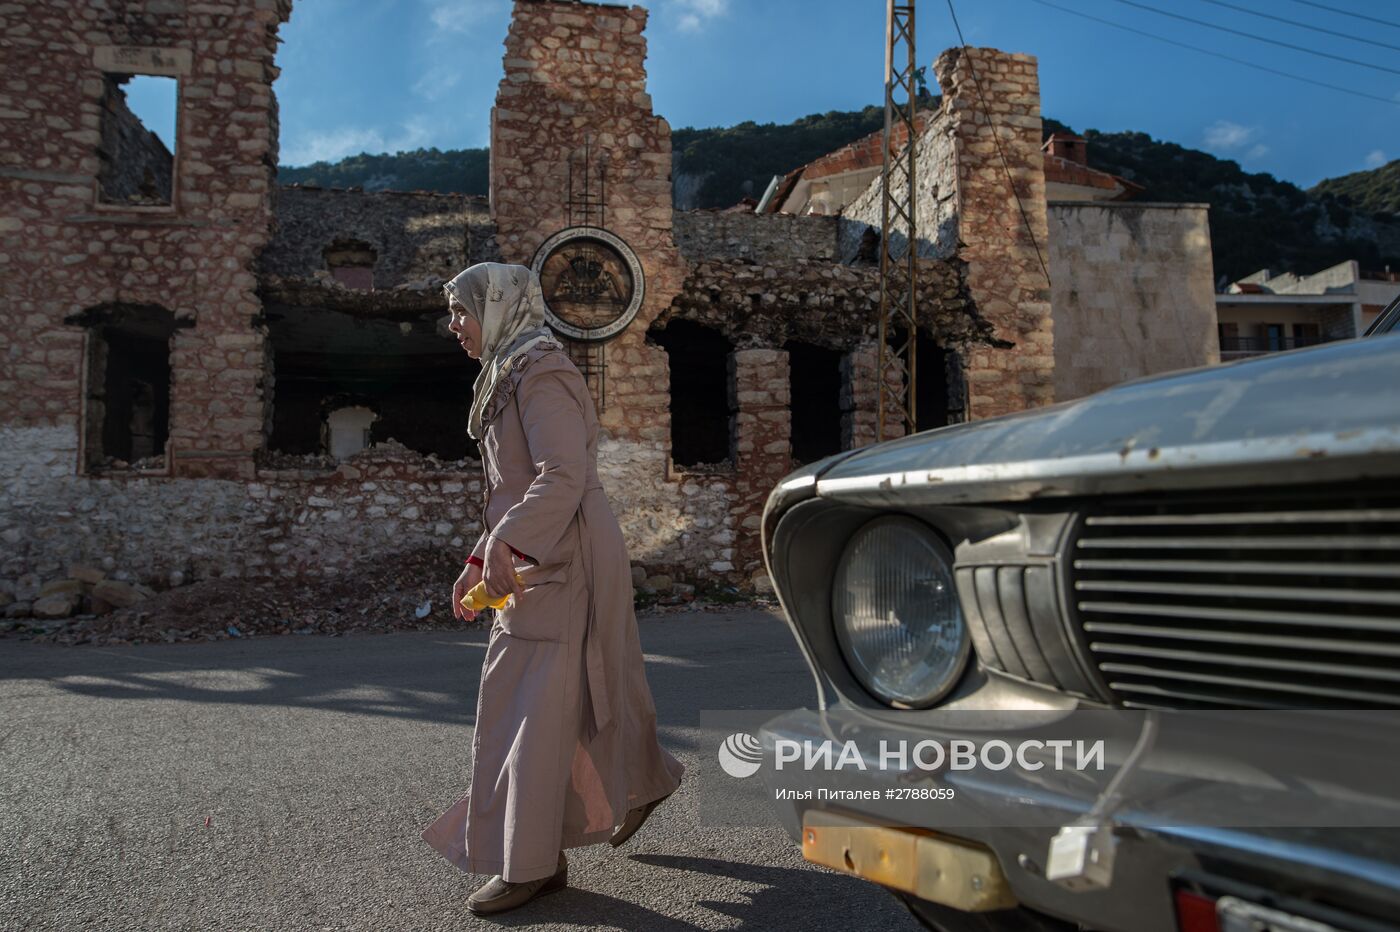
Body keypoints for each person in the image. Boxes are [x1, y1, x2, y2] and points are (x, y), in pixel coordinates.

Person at [421, 261, 684, 916]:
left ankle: (529, 864)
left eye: (461, 309)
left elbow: (562, 474)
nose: (452, 323)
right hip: (544, 549)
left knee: (530, 713)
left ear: (499, 307)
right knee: (568, 700)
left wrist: (507, 544)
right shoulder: (508, 376)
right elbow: (516, 490)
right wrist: (481, 557)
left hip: (565, 555)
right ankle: (641, 784)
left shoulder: (539, 374)